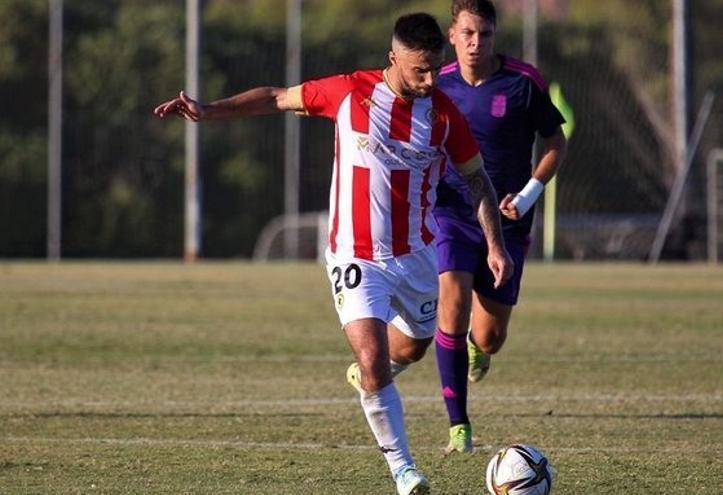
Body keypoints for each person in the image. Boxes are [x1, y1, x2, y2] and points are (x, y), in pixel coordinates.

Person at [154, 12, 512, 495]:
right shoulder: (349, 93)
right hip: (355, 256)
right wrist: (210, 110)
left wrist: (495, 243)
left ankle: (373, 377)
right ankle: (404, 470)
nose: (430, 80)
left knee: (413, 346)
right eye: (419, 70)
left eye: (435, 69)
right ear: (394, 59)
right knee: (373, 358)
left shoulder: (444, 115)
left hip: (417, 257)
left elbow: (477, 180)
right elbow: (277, 97)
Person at [432, 0, 568, 454]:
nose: (475, 43)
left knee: (491, 336)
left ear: (494, 36)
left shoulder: (523, 83)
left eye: (484, 34)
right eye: (467, 33)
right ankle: (459, 425)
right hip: (451, 213)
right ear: (451, 36)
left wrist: (528, 194)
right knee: (451, 303)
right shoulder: (437, 86)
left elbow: (555, 143)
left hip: (508, 222)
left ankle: (476, 346)